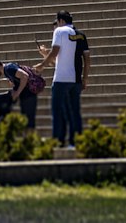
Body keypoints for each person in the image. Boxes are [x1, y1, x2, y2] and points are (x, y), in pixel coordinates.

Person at [38, 9, 80, 150]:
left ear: (60, 22)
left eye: (56, 24)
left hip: (61, 79)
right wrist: (46, 55)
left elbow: (55, 53)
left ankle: (58, 140)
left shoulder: (59, 32)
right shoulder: (75, 34)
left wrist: (42, 64)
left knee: (59, 112)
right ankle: (72, 141)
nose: (55, 27)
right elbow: (58, 61)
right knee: (69, 111)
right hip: (73, 78)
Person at [0, 58, 42, 128]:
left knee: (29, 123)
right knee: (26, 122)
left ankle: (30, 137)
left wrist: (17, 92)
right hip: (25, 96)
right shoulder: (7, 71)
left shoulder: (9, 68)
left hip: (29, 95)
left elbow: (25, 76)